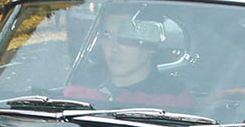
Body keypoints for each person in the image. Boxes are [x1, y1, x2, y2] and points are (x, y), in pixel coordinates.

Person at [63, 10, 191, 107]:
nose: (114, 48)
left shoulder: (172, 97)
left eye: (125, 38)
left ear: (151, 45)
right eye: (107, 35)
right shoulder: (81, 86)